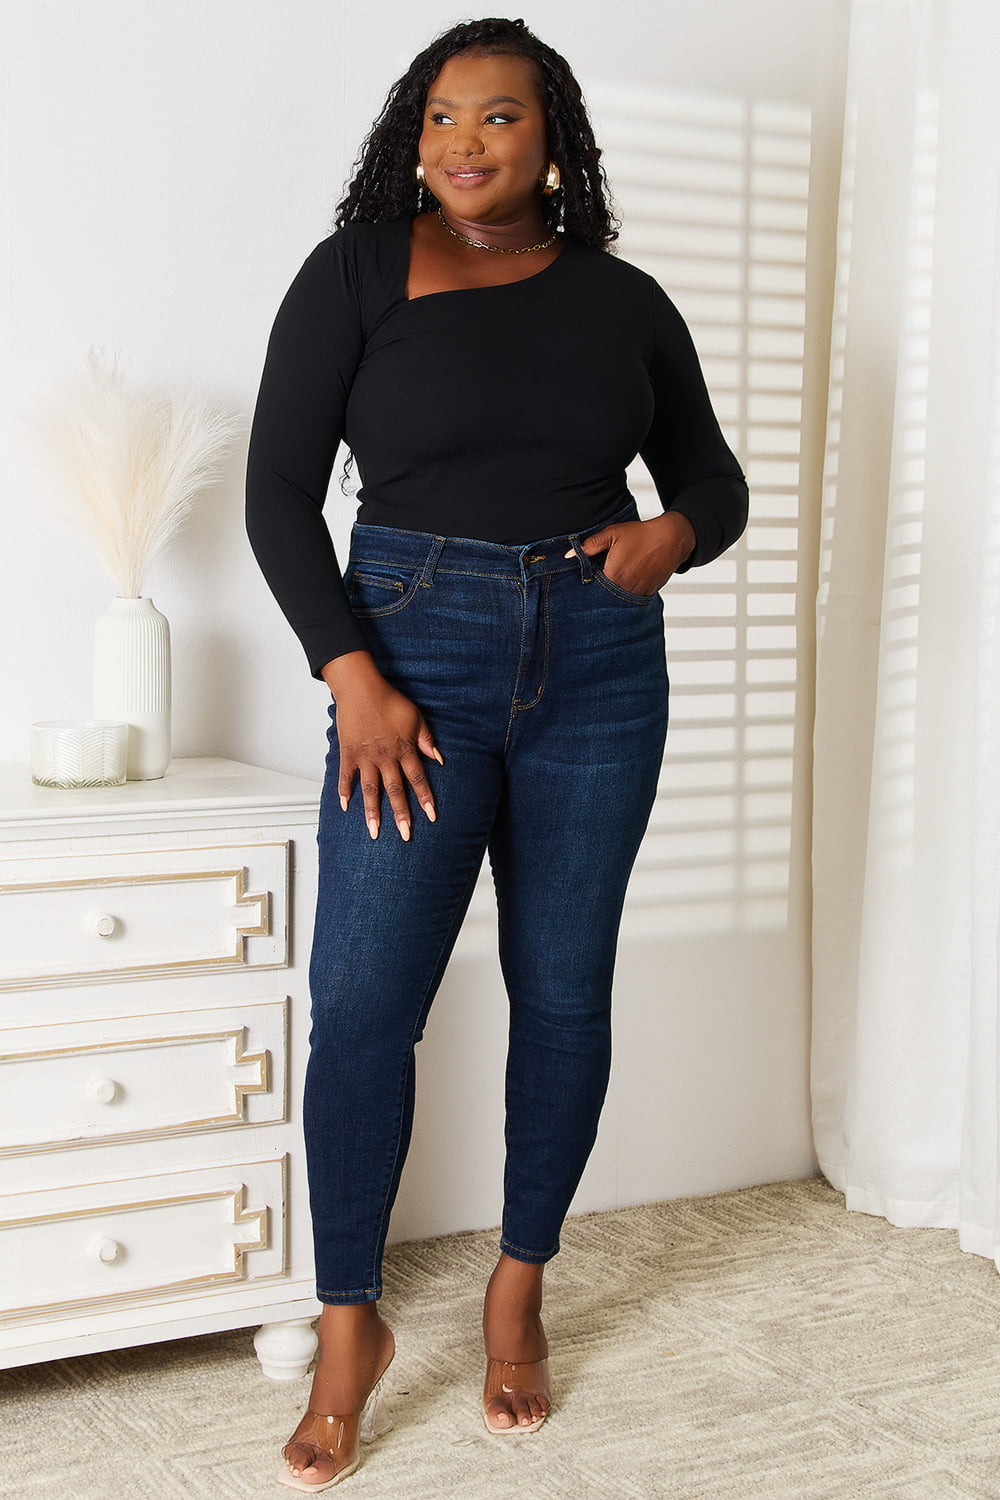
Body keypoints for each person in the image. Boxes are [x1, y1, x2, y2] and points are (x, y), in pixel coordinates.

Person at [245, 15, 748, 1491]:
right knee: (364, 1006)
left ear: (554, 139)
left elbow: (708, 480)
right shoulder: (354, 274)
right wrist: (354, 677)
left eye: (502, 117)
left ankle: (518, 1290)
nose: (467, 143)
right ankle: (353, 1325)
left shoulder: (624, 299)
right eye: (444, 116)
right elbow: (280, 498)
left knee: (567, 992)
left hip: (596, 658)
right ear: (417, 132)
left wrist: (674, 533)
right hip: (411, 656)